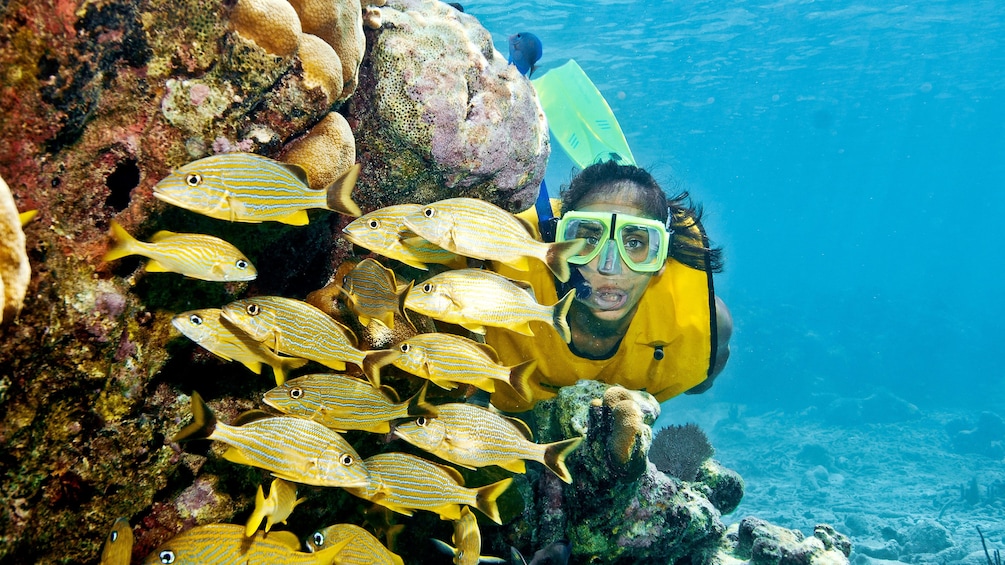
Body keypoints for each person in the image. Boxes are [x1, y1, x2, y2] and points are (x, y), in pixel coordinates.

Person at [484, 160, 732, 411]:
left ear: (662, 258)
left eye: (634, 243)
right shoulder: (495, 258)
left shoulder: (708, 327)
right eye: (590, 238)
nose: (609, 266)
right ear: (557, 244)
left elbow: (700, 383)